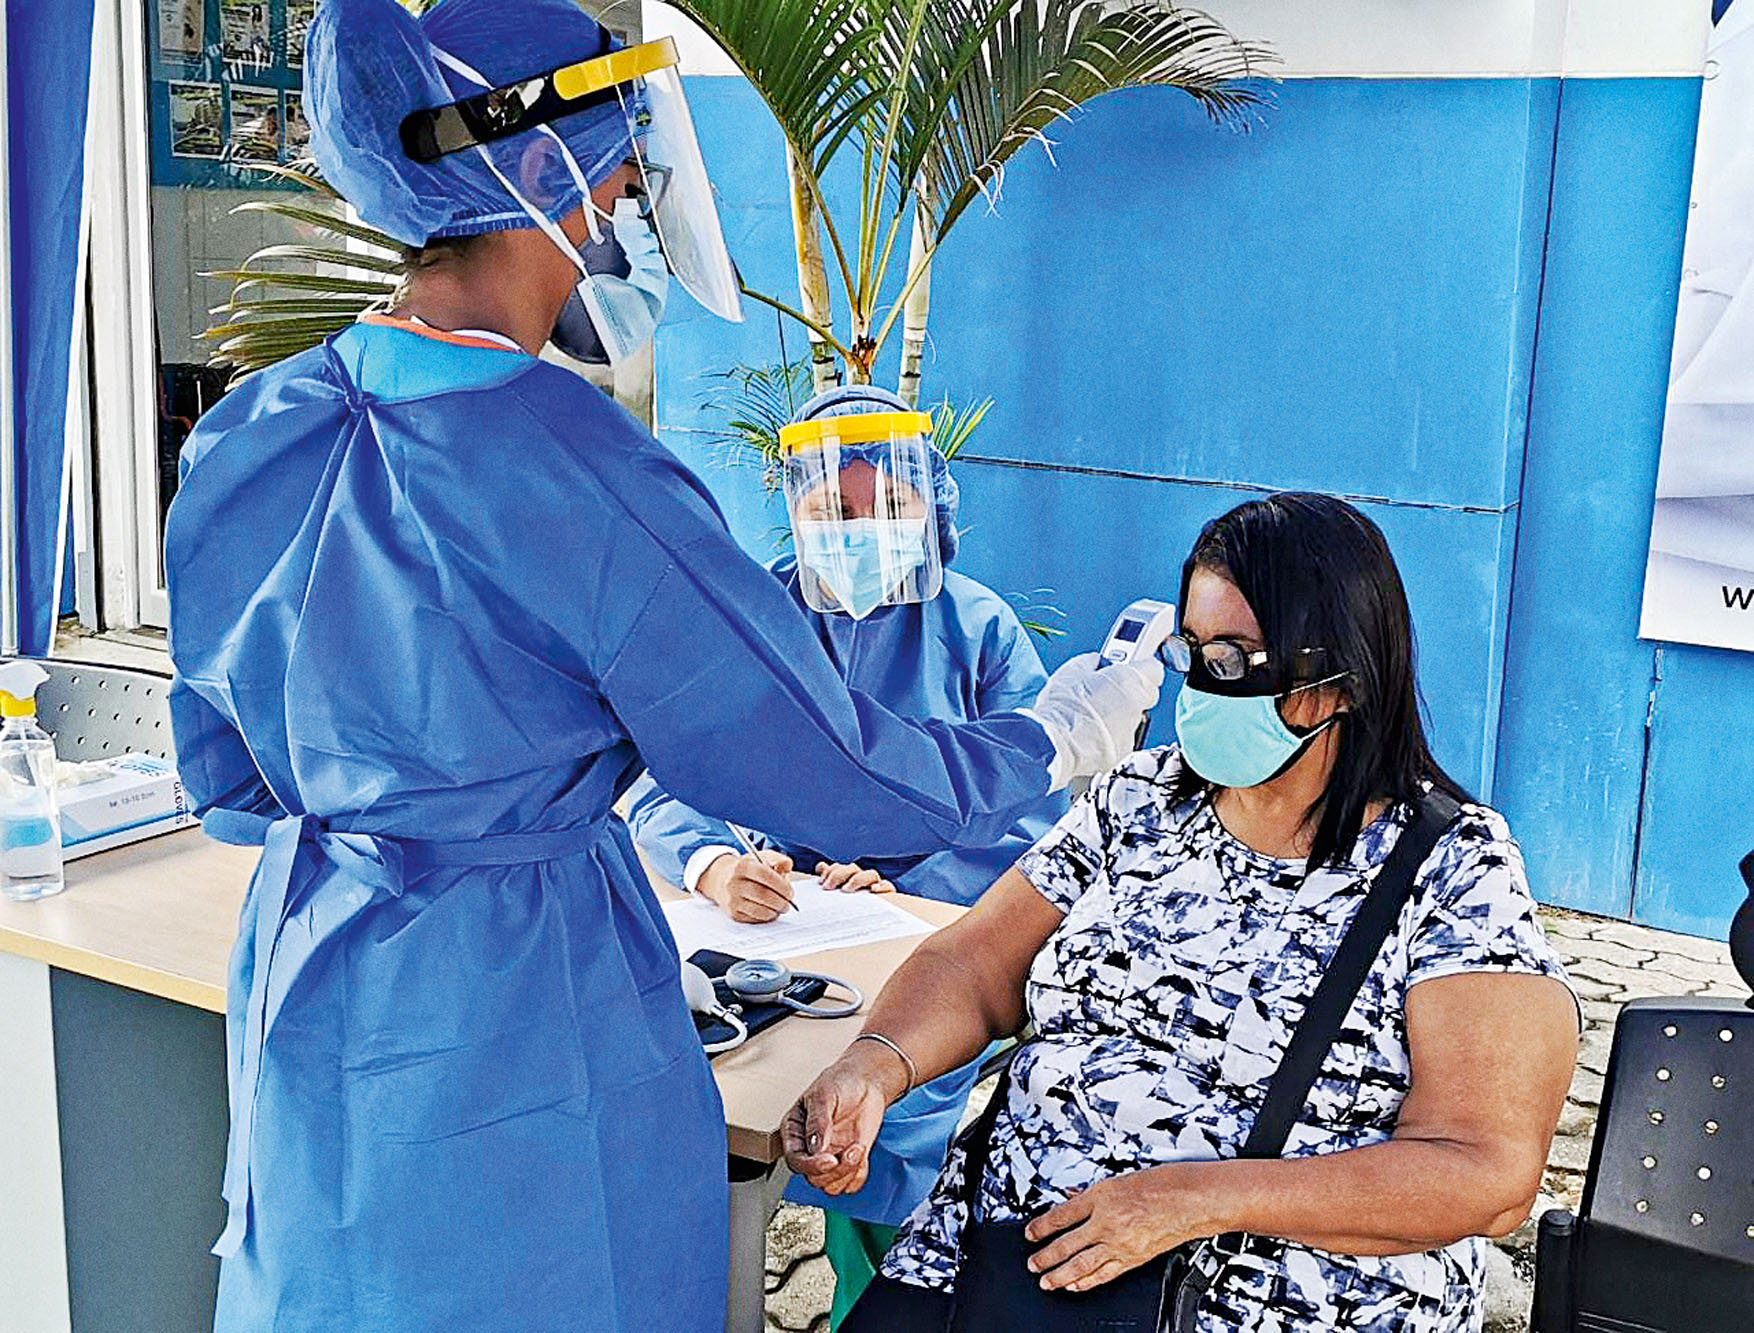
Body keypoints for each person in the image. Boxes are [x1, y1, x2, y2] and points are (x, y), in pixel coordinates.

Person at [164, 1, 1160, 1329]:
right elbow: (832, 773)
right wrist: (1056, 738)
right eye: (617, 161)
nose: (629, 194)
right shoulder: (582, 470)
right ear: (532, 170)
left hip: (313, 967)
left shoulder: (248, 432)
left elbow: (226, 775)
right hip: (519, 1007)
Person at [786, 493, 1580, 1332]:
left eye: (1236, 661)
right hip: (1003, 1261)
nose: (1200, 686)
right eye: (1192, 651)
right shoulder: (1144, 796)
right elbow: (975, 965)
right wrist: (876, 1062)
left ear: (1341, 678)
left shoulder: (1453, 866)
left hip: (1277, 1294)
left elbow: (1484, 1172)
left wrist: (1194, 1200)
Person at [628, 385, 1069, 1322]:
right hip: (766, 949)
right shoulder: (754, 623)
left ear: (931, 509)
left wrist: (906, 887)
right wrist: (714, 861)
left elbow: (1035, 822)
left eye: (887, 508)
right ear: (792, 508)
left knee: (879, 1131)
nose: (859, 530)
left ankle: (881, 1291)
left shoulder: (980, 630)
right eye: (833, 509)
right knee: (691, 1110)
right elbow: (658, 773)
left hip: (921, 956)